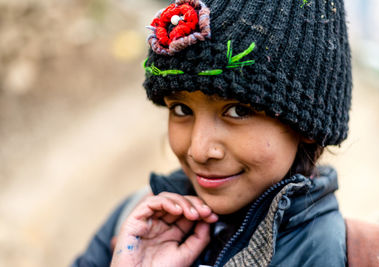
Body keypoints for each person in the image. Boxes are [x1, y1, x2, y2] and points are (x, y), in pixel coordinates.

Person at [71, 0, 353, 266]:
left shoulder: (334, 255)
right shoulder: (134, 222)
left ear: (307, 126)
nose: (199, 150)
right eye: (181, 109)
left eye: (238, 111)